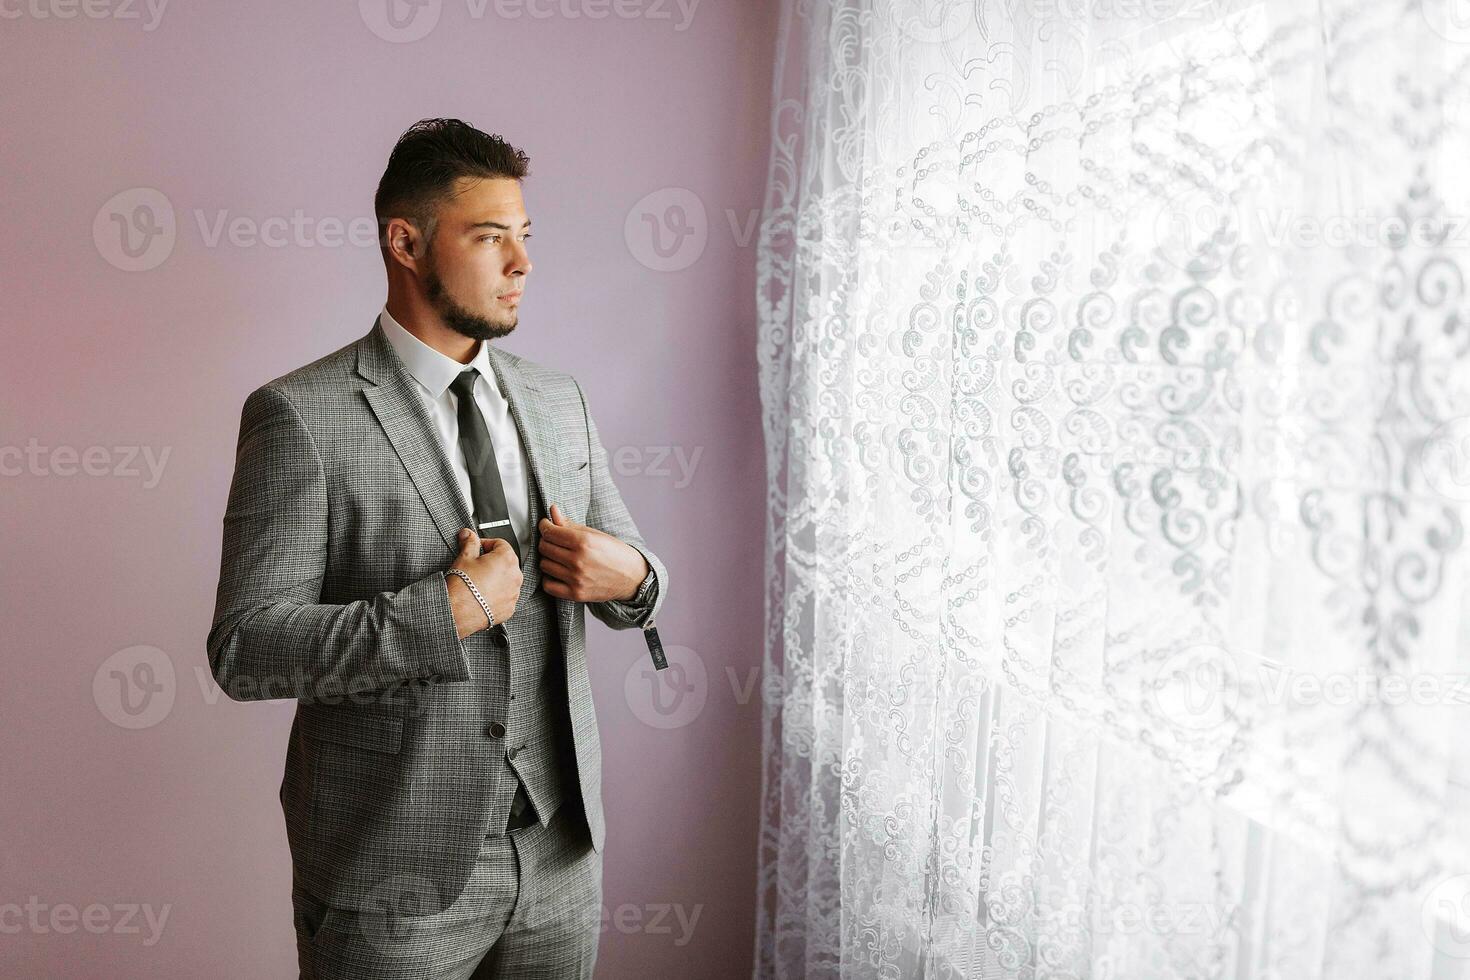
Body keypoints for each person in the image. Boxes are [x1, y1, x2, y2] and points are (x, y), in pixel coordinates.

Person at [206, 117, 668, 978]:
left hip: (562, 850)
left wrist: (634, 578)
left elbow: (633, 567)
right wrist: (443, 611)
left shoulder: (557, 398)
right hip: (391, 872)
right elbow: (245, 650)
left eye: (524, 237)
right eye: (491, 238)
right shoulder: (300, 416)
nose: (522, 263)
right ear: (406, 241)